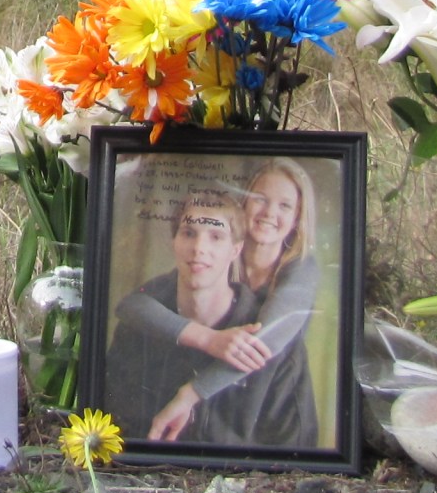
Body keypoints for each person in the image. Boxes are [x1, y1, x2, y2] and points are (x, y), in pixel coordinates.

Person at [120, 160, 322, 448]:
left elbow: (261, 345)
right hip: (208, 404)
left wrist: (190, 394)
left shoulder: (301, 269)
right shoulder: (214, 255)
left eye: (285, 206)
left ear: (298, 217)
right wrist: (207, 338)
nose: (269, 213)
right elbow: (133, 305)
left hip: (265, 396)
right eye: (260, 199)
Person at [101, 192, 254, 441]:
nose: (199, 249)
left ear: (235, 249)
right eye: (189, 233)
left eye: (216, 236)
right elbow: (114, 415)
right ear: (174, 240)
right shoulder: (135, 325)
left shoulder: (262, 329)